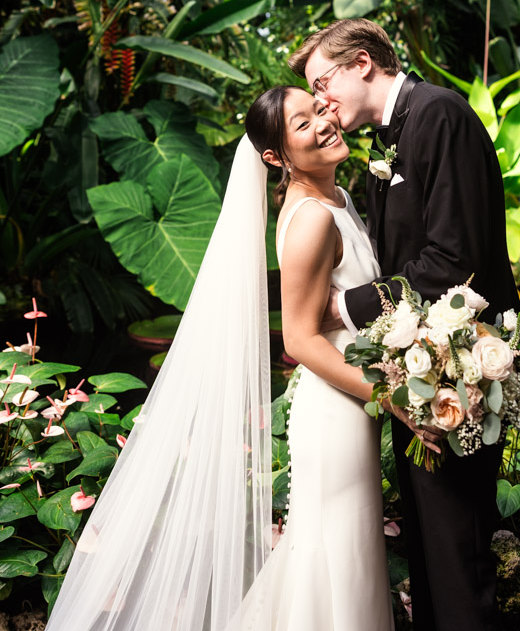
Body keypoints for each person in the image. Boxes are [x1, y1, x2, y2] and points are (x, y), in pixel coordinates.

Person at [44, 84, 440, 631]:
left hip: (354, 399)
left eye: (320, 108)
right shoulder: (311, 221)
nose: (324, 121)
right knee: (336, 559)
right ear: (275, 157)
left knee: (342, 556)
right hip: (337, 413)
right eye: (303, 124)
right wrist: (395, 399)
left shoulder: (338, 199)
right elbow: (298, 342)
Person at [289, 18, 520, 631]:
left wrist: (345, 309)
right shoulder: (384, 138)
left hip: (462, 371)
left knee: (458, 553)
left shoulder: (439, 115)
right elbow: (399, 257)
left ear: (362, 62)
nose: (322, 103)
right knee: (430, 551)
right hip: (417, 372)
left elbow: (454, 260)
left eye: (323, 83)